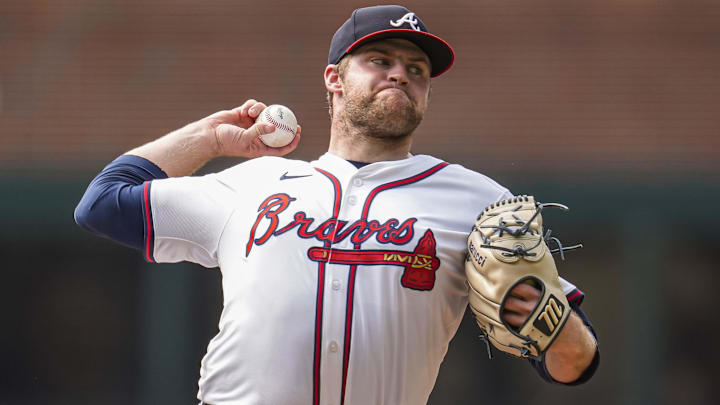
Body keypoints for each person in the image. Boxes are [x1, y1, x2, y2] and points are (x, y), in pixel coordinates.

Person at [75, 5, 599, 405]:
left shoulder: (478, 202)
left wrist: (547, 318)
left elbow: (575, 363)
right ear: (334, 79)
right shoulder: (253, 184)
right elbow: (102, 203)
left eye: (417, 69)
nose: (401, 74)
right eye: (380, 60)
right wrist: (210, 137)